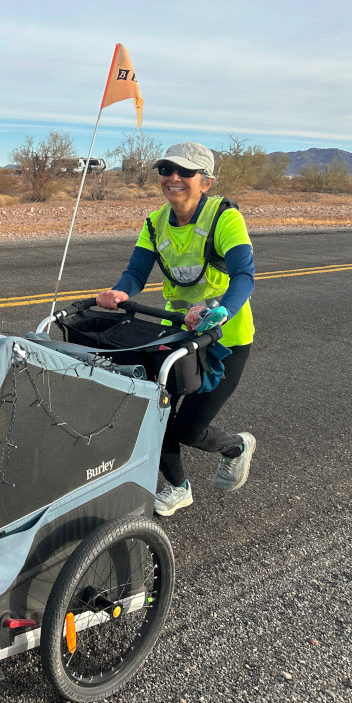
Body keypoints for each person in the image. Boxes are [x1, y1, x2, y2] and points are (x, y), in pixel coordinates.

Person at [96, 142, 256, 516]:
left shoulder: (223, 218)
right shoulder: (154, 223)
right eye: (166, 169)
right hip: (180, 334)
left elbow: (244, 276)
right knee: (157, 413)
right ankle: (178, 487)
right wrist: (120, 292)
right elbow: (136, 272)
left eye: (185, 172)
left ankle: (236, 447)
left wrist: (221, 311)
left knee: (189, 428)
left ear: (207, 181)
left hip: (225, 338)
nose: (173, 178)